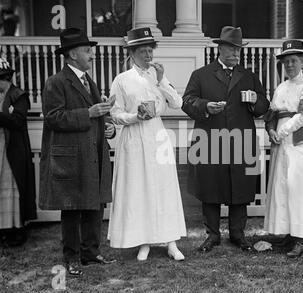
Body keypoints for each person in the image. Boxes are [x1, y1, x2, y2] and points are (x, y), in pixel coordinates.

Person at [182, 26, 270, 253]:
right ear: (220, 48)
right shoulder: (201, 74)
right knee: (210, 188)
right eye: (231, 48)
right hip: (209, 140)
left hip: (241, 141)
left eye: (238, 49)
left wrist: (254, 100)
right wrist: (205, 106)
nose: (235, 53)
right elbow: (187, 101)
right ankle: (212, 235)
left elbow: (263, 106)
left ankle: (238, 234)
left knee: (240, 188)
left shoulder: (249, 76)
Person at [39, 28, 117, 276]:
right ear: (72, 54)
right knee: (72, 208)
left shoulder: (88, 81)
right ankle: (71, 257)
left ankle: (91, 252)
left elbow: (95, 115)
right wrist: (89, 113)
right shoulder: (56, 82)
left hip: (93, 153)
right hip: (72, 157)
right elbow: (53, 118)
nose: (92, 55)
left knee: (95, 204)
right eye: (87, 51)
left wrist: (107, 127)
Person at [107, 27, 187, 261]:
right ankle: (143, 241)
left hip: (157, 135)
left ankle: (171, 241)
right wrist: (135, 117)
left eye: (150, 50)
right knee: (138, 187)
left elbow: (177, 102)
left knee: (164, 186)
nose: (148, 56)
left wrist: (162, 80)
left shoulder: (158, 77)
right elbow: (115, 113)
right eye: (143, 51)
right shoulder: (122, 80)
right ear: (132, 53)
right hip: (133, 136)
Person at [263, 40, 303, 258]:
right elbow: (271, 115)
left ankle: (302, 238)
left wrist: (284, 129)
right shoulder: (281, 87)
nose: (289, 65)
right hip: (281, 141)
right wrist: (271, 130)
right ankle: (288, 233)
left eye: (294, 60)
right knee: (283, 186)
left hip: (301, 143)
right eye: (286, 61)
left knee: (300, 188)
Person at [0, 57, 36, 246]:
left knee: (14, 187)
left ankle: (17, 229)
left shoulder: (18, 95)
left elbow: (18, 121)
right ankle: (3, 229)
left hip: (13, 148)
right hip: (1, 147)